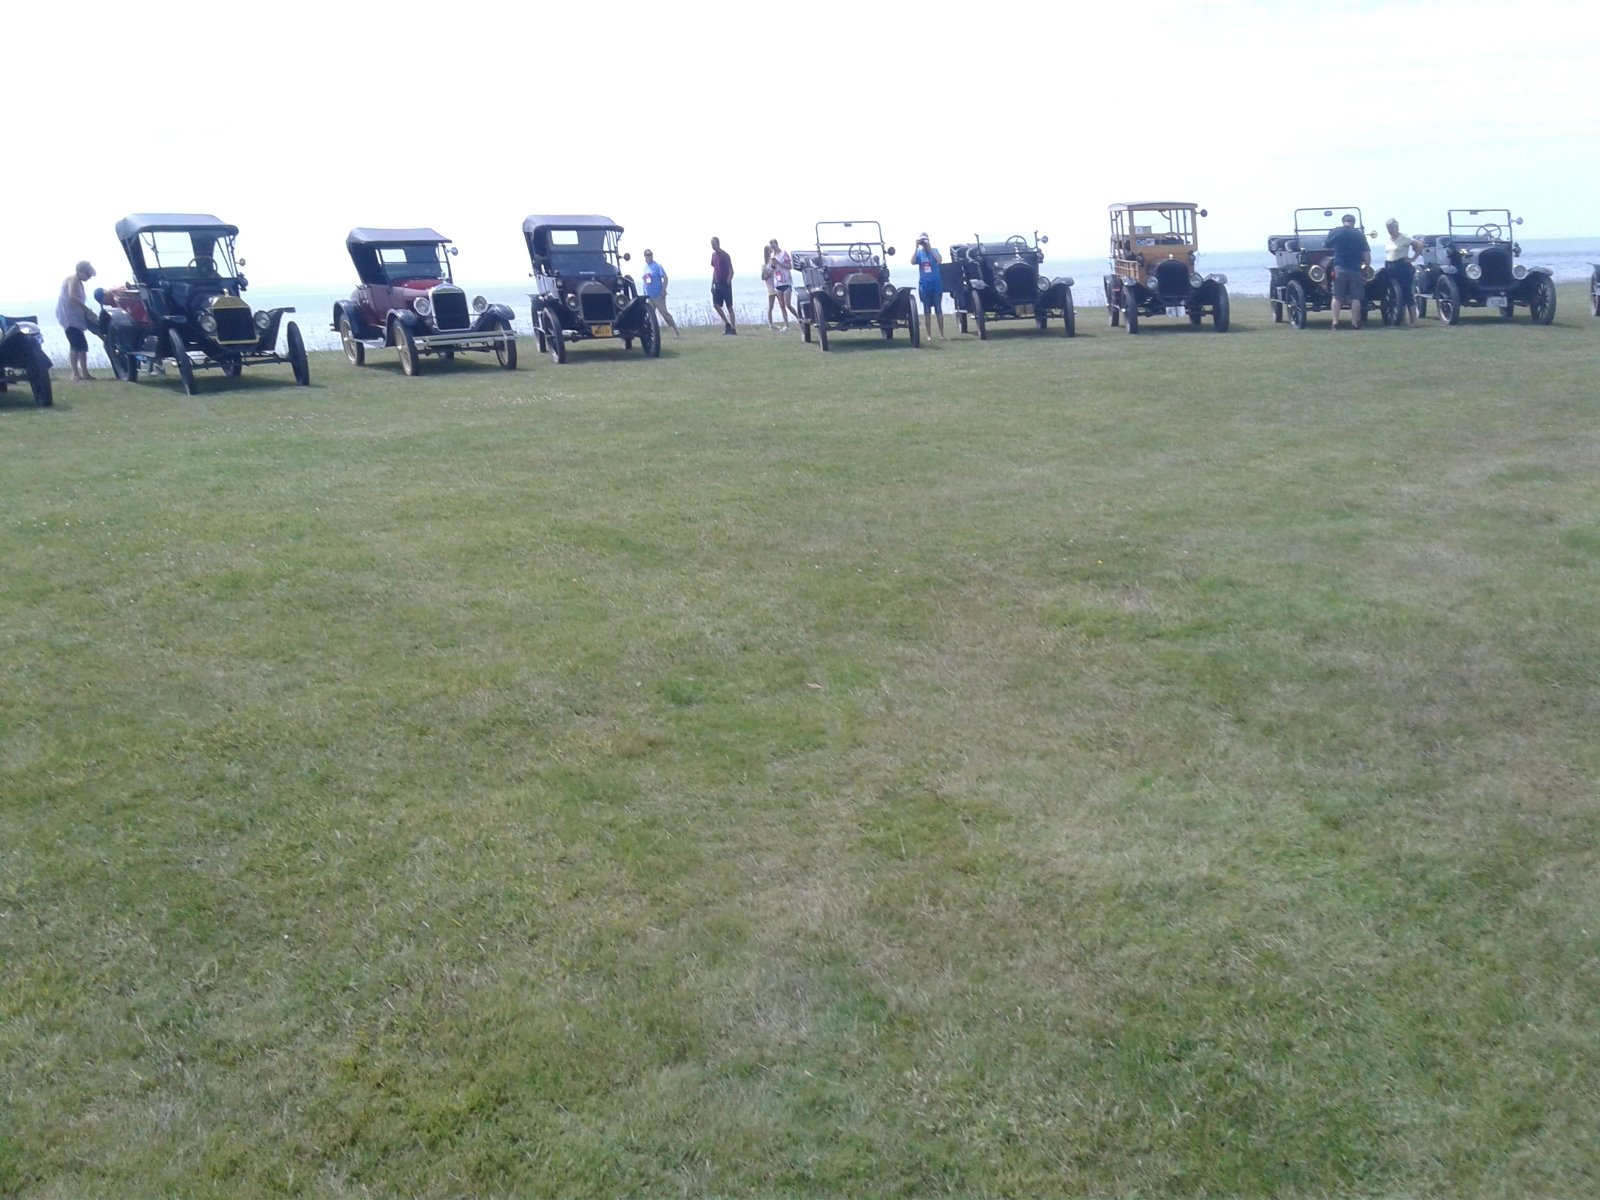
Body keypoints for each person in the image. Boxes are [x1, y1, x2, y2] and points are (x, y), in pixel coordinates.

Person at [1323, 213, 1371, 330]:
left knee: (1337, 297)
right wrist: (1367, 266)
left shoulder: (1336, 232)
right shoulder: (1359, 234)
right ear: (1354, 222)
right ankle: (1354, 322)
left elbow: (1326, 245)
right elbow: (1366, 254)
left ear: (1343, 221)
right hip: (1355, 269)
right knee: (1356, 297)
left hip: (1339, 268)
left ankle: (1335, 322)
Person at [56, 260, 97, 381]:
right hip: (69, 318)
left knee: (78, 345)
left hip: (74, 318)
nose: (89, 277)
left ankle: (82, 372)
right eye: (88, 274)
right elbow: (73, 297)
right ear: (80, 271)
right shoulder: (73, 280)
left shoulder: (78, 282)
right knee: (78, 345)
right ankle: (77, 373)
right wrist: (87, 310)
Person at [1384, 218, 1424, 327]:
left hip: (1402, 266)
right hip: (1390, 266)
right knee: (1397, 295)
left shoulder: (1404, 238)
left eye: (1392, 228)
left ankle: (1414, 320)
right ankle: (1402, 320)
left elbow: (1420, 245)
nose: (1390, 230)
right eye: (1388, 228)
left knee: (1407, 294)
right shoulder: (1388, 239)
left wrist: (1413, 259)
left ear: (1397, 227)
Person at [910, 232, 946, 340]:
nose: (924, 243)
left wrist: (929, 248)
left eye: (925, 241)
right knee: (927, 311)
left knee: (938, 309)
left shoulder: (935, 251)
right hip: (925, 286)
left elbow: (939, 260)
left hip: (936, 285)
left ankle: (941, 334)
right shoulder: (920, 253)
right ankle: (929, 335)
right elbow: (912, 261)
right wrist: (916, 247)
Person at [639, 249, 680, 337]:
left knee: (664, 314)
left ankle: (676, 331)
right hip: (649, 297)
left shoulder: (657, 266)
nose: (649, 256)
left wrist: (663, 290)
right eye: (647, 255)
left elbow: (665, 277)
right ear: (644, 256)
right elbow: (645, 282)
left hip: (658, 295)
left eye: (650, 254)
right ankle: (651, 334)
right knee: (650, 316)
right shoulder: (645, 267)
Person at [769, 238, 798, 332]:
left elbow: (789, 266)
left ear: (777, 244)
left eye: (773, 245)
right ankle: (786, 325)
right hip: (778, 282)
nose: (773, 247)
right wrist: (773, 265)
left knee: (788, 304)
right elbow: (772, 268)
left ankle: (799, 318)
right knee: (782, 305)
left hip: (786, 281)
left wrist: (779, 263)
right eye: (771, 246)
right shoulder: (772, 256)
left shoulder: (784, 254)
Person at [709, 236, 736, 335]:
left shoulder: (725, 255)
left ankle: (733, 329)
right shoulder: (713, 255)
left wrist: (728, 282)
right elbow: (715, 270)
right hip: (717, 282)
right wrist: (712, 284)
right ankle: (727, 324)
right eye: (711, 244)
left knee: (729, 306)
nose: (712, 246)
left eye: (714, 244)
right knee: (716, 305)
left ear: (718, 244)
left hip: (725, 283)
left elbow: (731, 270)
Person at [761, 245, 778, 329]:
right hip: (771, 286)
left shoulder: (773, 261)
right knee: (771, 306)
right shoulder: (765, 265)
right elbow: (763, 277)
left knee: (783, 304)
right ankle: (771, 324)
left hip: (777, 284)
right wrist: (769, 272)